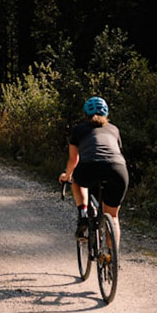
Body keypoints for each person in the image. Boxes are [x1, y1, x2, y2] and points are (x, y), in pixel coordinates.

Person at [59, 97, 129, 248]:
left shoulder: (79, 129)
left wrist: (66, 176)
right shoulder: (114, 129)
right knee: (113, 216)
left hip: (89, 167)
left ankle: (83, 212)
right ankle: (111, 260)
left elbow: (73, 160)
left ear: (85, 113)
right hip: (118, 170)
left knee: (76, 180)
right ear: (106, 113)